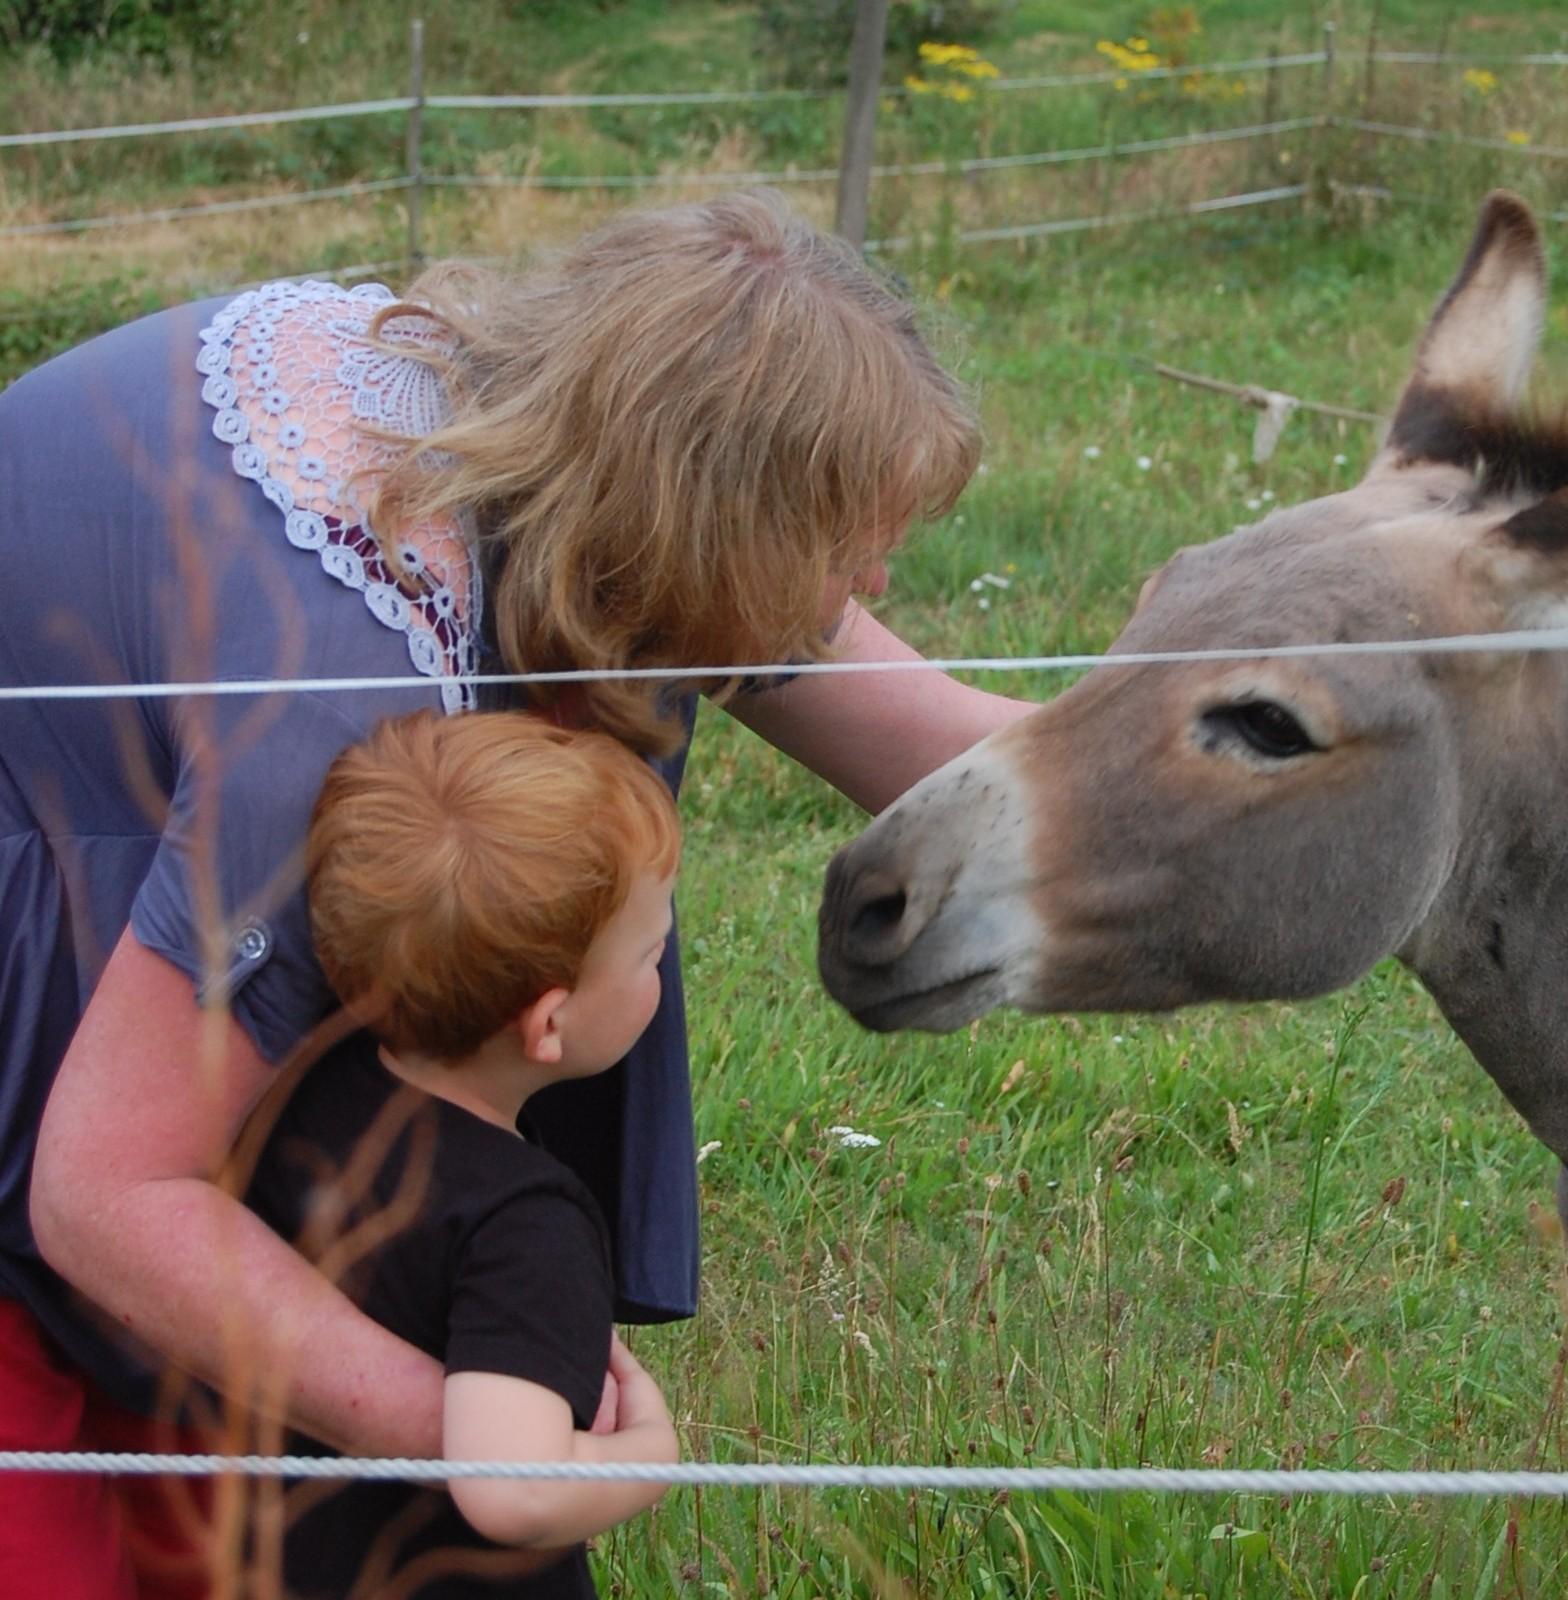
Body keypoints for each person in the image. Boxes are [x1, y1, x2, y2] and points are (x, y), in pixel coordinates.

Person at [0, 188, 1032, 1597]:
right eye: (841, 540)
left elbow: (949, 747)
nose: (872, 578)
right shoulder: (335, 707)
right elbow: (108, 1191)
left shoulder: (565, 434)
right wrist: (500, 1443)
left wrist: (1289, 730)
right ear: (709, 522)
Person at [235, 709, 682, 1599]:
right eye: (650, 954)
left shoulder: (295, 1092)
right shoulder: (528, 1226)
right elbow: (512, 1492)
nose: (658, 973)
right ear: (550, 1023)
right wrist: (651, 1454)